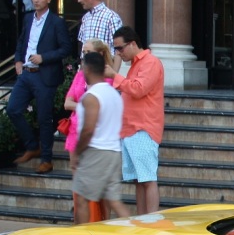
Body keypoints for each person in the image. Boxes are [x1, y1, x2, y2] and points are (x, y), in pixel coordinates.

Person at [9, 0, 71, 174]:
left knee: (44, 118)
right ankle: (32, 145)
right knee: (13, 109)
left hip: (45, 76)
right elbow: (21, 42)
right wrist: (18, 61)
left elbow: (66, 48)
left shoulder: (56, 22)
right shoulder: (28, 19)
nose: (36, 0)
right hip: (26, 74)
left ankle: (46, 158)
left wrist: (44, 58)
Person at [109, 26, 165, 215]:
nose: (118, 53)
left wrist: (114, 76)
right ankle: (143, 220)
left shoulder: (151, 62)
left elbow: (139, 89)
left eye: (120, 48)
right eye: (116, 49)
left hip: (143, 128)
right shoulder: (136, 64)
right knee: (139, 180)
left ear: (133, 44)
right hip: (132, 129)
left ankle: (150, 220)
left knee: (147, 179)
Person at [72, 51, 130, 222]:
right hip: (114, 151)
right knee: (114, 200)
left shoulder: (92, 97)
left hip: (96, 151)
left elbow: (88, 129)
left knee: (81, 198)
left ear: (88, 69)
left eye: (83, 68)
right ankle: (135, 233)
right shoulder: (114, 94)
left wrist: (77, 152)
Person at [64, 38, 118, 223]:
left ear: (100, 54)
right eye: (83, 52)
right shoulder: (80, 75)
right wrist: (87, 104)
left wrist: (86, 104)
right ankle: (81, 224)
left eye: (88, 52)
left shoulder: (109, 77)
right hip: (75, 132)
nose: (84, 56)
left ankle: (105, 222)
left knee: (101, 188)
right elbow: (67, 102)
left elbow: (104, 105)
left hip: (98, 136)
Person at [75, 0, 123, 67]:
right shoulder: (86, 18)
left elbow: (118, 48)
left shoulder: (111, 17)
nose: (79, 0)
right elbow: (83, 46)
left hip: (104, 70)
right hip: (87, 70)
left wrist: (114, 75)